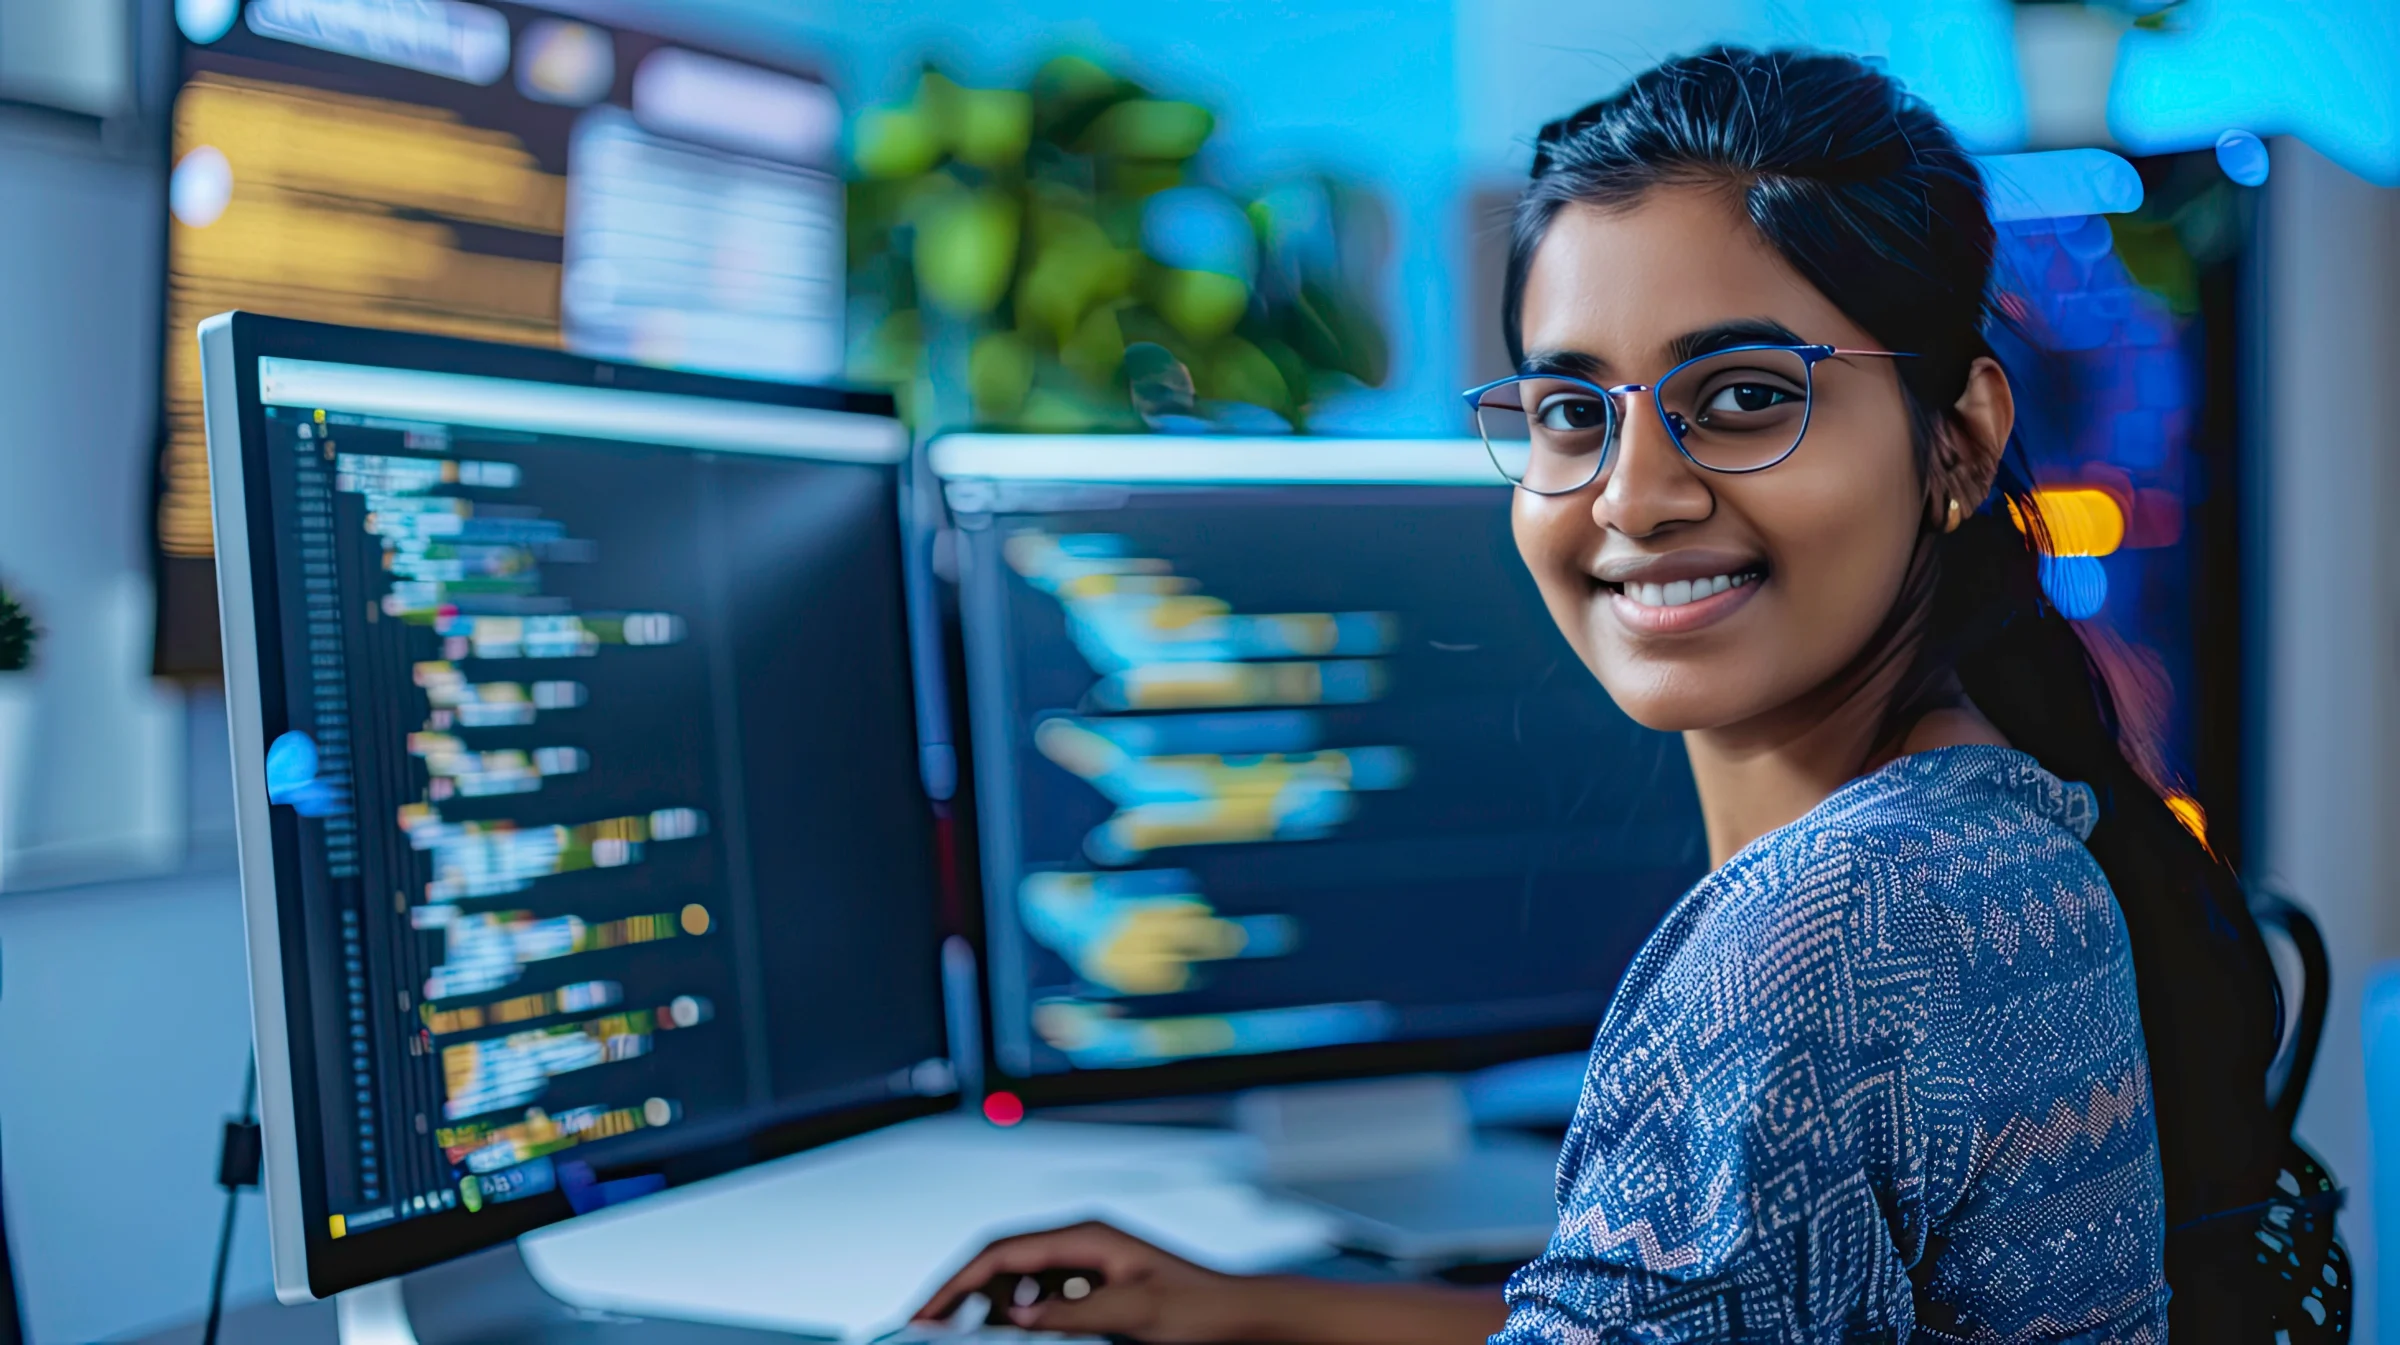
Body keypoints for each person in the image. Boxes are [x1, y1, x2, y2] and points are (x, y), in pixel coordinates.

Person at [914, 47, 2282, 1342]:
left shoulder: (1816, 939)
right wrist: (1257, 1306)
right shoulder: (2000, 820)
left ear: (1961, 441)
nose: (1634, 494)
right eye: (1573, 413)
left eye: (1745, 396)